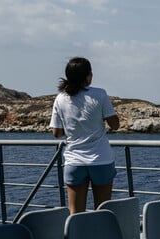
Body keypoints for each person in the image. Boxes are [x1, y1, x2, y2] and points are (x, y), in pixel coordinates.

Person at [49, 57, 120, 214]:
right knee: (103, 211)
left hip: (74, 161)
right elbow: (115, 125)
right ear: (88, 75)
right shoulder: (100, 94)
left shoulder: (60, 98)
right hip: (101, 159)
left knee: (76, 213)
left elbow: (57, 133)